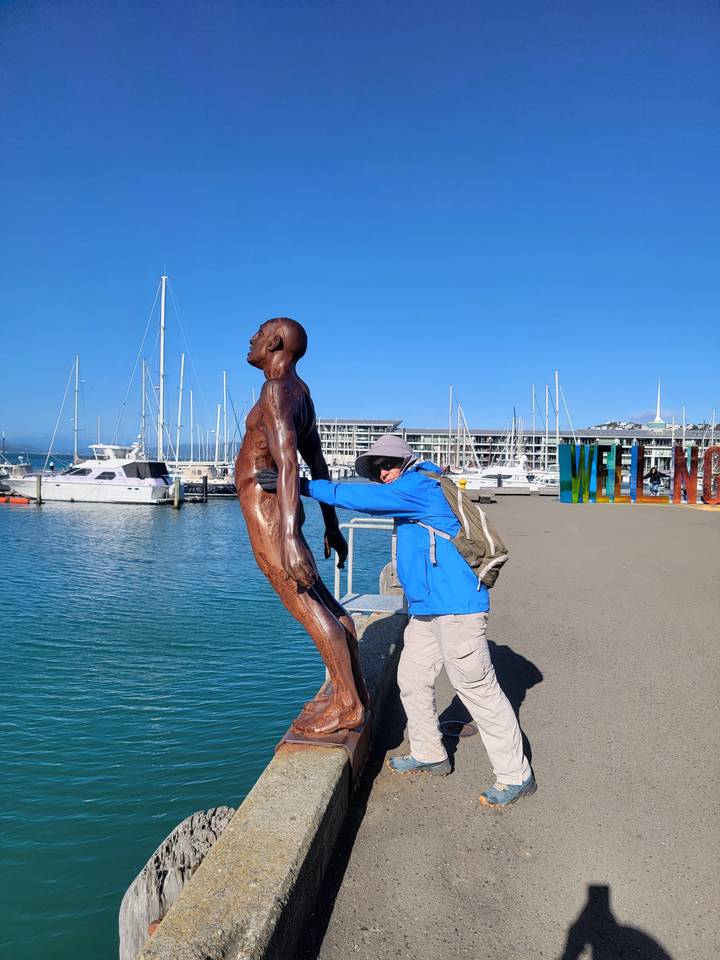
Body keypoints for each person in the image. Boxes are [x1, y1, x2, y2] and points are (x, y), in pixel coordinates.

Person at [258, 433, 535, 809]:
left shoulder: (420, 485)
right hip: (427, 607)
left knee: (476, 688)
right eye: (376, 468)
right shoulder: (412, 487)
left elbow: (361, 499)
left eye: (387, 465)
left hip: (458, 607)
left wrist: (299, 484)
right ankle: (429, 753)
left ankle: (515, 775)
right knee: (411, 677)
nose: (382, 473)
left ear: (404, 462)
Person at [235, 318, 369, 737]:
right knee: (324, 603)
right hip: (280, 510)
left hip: (269, 512)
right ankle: (352, 691)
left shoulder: (274, 392)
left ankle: (348, 706)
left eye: (258, 333)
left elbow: (292, 462)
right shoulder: (302, 393)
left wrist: (291, 537)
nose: (252, 339)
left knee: (302, 602)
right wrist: (332, 525)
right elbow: (319, 463)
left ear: (275, 341)